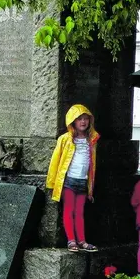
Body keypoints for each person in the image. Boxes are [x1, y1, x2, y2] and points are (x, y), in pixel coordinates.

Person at [45, 104, 100, 252]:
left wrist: (90, 189)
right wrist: (51, 184)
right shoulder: (65, 139)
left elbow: (92, 165)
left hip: (83, 181)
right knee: (69, 211)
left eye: (86, 119)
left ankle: (82, 241)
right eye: (79, 119)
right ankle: (71, 241)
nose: (83, 122)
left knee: (80, 212)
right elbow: (55, 161)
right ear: (73, 121)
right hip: (68, 181)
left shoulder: (92, 140)